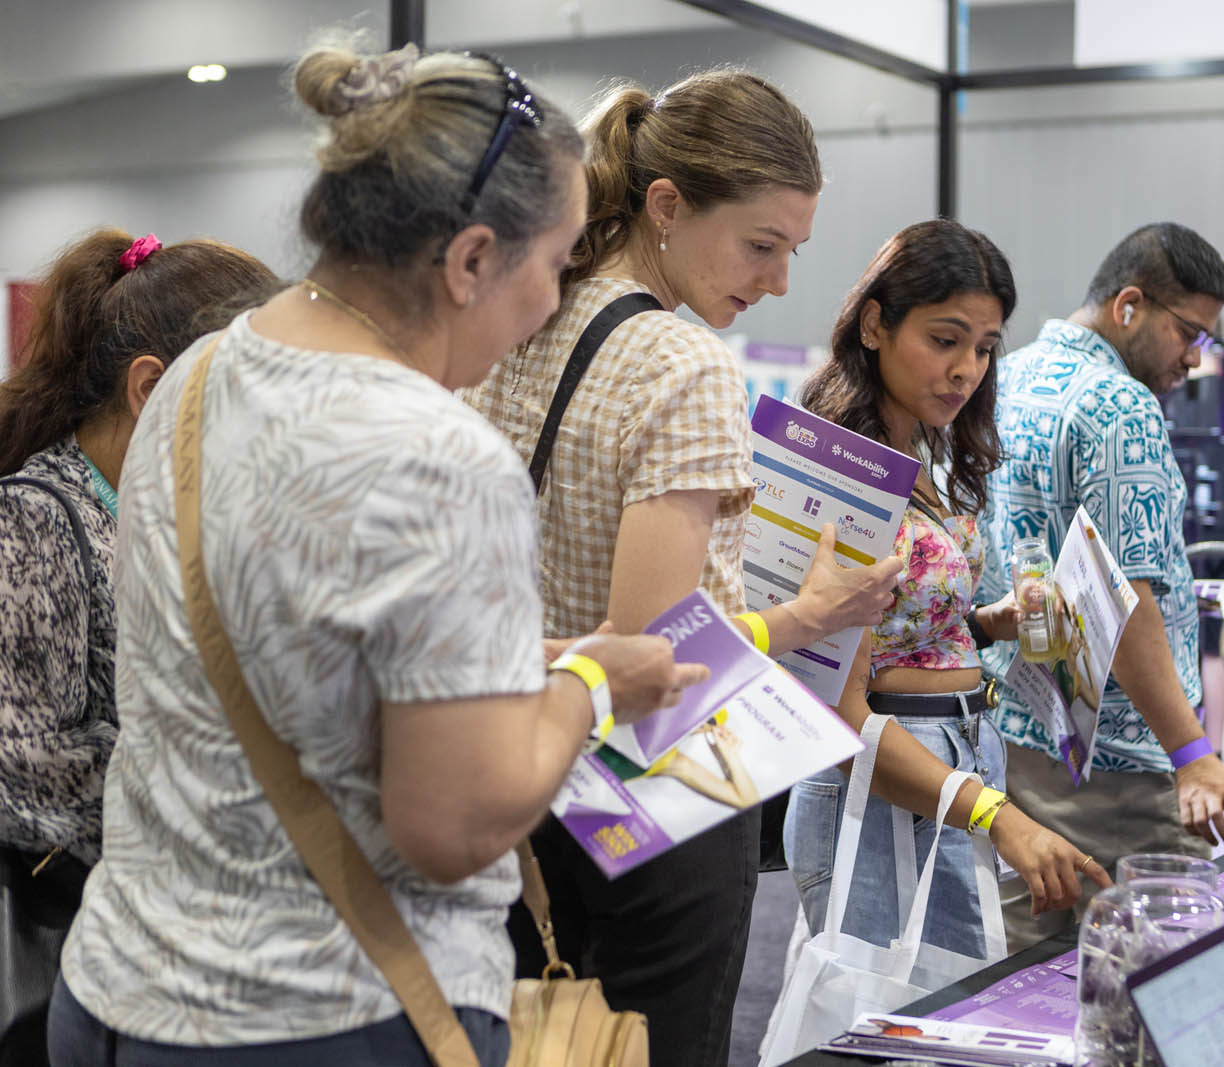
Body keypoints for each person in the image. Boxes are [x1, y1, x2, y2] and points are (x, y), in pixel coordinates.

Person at [51, 41, 704, 1066]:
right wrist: (591, 683)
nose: (553, 303)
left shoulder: (196, 375)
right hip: (322, 1014)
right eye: (555, 264)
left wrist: (510, 668)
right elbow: (452, 825)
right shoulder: (440, 456)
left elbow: (288, 646)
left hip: (118, 987)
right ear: (471, 259)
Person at [461, 70, 900, 1067]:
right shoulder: (681, 361)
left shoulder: (516, 317)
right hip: (658, 791)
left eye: (791, 252)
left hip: (519, 769)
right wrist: (805, 616)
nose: (777, 280)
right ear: (666, 206)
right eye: (760, 245)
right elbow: (653, 654)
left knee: (541, 1044)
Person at [786, 220, 1109, 966]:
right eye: (945, 340)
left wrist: (990, 623)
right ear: (875, 324)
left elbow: (896, 627)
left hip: (952, 762)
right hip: (882, 782)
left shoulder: (918, 451)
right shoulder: (844, 471)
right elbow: (839, 710)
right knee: (879, 1012)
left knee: (947, 1003)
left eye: (985, 348)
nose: (967, 369)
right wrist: (997, 814)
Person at [0, 228, 277, 1064]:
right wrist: (214, 786)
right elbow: (25, 767)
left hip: (160, 929)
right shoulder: (34, 517)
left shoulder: (167, 508)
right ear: (152, 387)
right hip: (71, 938)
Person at [981, 222, 1224, 953]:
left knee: (1021, 976)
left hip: (1023, 736)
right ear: (1129, 306)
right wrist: (1192, 753)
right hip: (1124, 760)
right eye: (1189, 333)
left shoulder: (1009, 377)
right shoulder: (1120, 406)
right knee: (1168, 972)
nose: (1195, 358)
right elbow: (1127, 602)